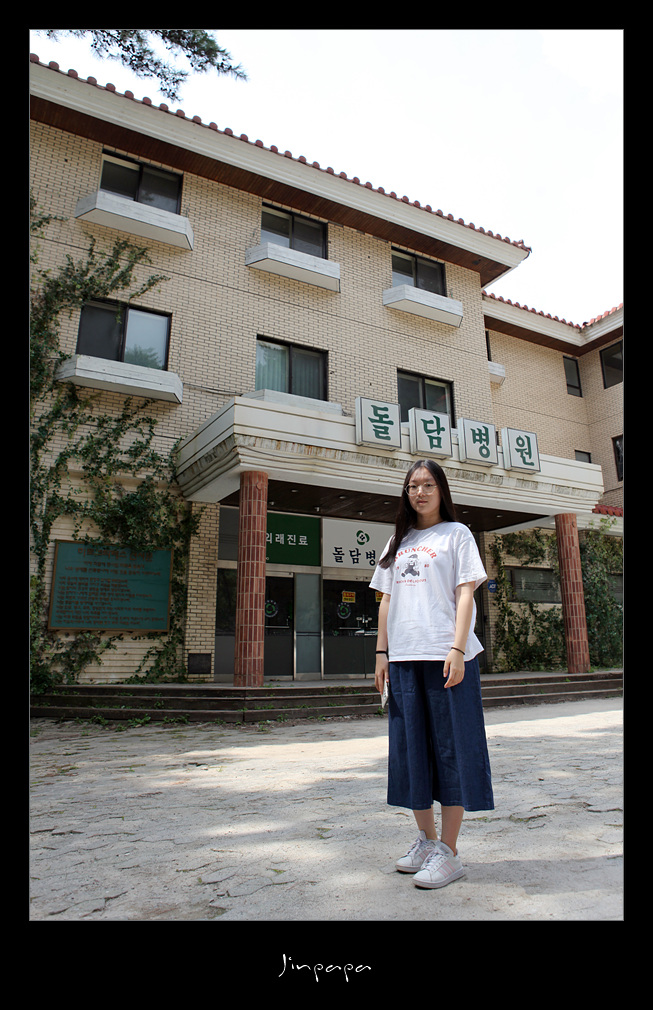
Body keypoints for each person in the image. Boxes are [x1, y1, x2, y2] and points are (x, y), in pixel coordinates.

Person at [370, 459, 494, 889]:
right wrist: (382, 653)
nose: (419, 492)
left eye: (427, 485)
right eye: (412, 486)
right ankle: (426, 840)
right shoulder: (397, 540)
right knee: (412, 752)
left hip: (445, 657)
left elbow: (466, 594)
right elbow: (386, 600)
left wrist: (458, 648)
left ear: (441, 489)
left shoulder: (457, 534)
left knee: (451, 750)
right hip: (404, 658)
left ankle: (449, 852)